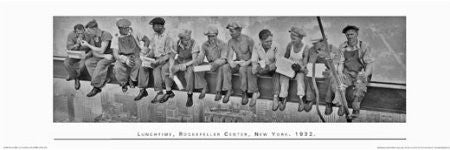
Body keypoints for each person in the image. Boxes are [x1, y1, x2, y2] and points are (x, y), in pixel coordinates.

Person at [331, 25, 375, 118]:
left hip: (361, 72)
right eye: (347, 35)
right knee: (339, 84)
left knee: (359, 88)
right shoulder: (342, 46)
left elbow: (369, 64)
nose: (350, 37)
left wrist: (365, 74)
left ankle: (356, 108)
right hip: (347, 72)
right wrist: (340, 73)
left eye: (352, 34)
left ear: (357, 34)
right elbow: (340, 63)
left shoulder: (364, 46)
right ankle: (342, 105)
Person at [135, 17, 176, 103]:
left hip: (167, 60)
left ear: (160, 26)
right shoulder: (154, 36)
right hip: (156, 59)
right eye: (153, 26)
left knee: (157, 70)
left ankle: (161, 92)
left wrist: (158, 61)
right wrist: (147, 57)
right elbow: (152, 50)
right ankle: (142, 90)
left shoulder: (168, 36)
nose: (153, 28)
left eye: (155, 26)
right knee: (143, 66)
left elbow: (169, 54)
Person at [196, 26, 233, 103]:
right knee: (196, 68)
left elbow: (224, 58)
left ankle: (218, 92)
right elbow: (201, 56)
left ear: (216, 35)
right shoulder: (204, 45)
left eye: (212, 36)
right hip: (210, 64)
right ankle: (204, 86)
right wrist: (196, 61)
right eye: (209, 36)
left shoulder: (222, 44)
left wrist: (216, 63)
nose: (210, 38)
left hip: (220, 64)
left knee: (221, 68)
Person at [112, 18, 149, 95]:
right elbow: (115, 54)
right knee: (117, 67)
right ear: (119, 29)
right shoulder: (115, 37)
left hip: (135, 55)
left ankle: (132, 80)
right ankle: (123, 83)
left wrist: (144, 49)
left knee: (138, 63)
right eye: (125, 28)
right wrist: (125, 60)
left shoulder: (135, 32)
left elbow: (147, 40)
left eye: (128, 27)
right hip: (123, 56)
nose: (127, 29)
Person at [278, 26, 309, 111]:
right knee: (283, 77)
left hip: (299, 69)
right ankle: (283, 98)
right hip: (289, 68)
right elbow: (286, 58)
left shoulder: (306, 47)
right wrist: (283, 66)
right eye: (291, 38)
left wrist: (300, 68)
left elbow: (305, 63)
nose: (292, 40)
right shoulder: (289, 45)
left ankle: (301, 99)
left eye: (294, 38)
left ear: (300, 38)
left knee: (300, 79)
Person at [226, 22, 257, 105]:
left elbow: (254, 57)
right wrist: (231, 62)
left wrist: (246, 63)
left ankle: (244, 93)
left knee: (242, 69)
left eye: (232, 31)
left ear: (239, 31)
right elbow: (229, 56)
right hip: (239, 62)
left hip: (248, 63)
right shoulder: (231, 42)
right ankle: (229, 90)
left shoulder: (248, 40)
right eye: (229, 31)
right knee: (226, 67)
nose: (230, 33)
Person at [81, 19, 115, 97]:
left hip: (110, 56)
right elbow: (94, 52)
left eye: (89, 31)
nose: (88, 33)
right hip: (103, 56)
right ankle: (104, 79)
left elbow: (102, 50)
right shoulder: (93, 37)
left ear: (94, 29)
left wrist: (88, 45)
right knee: (88, 62)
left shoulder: (105, 34)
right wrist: (103, 56)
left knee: (101, 63)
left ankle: (96, 87)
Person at [169, 29, 201, 107]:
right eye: (186, 40)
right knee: (171, 71)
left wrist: (185, 65)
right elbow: (172, 58)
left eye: (189, 39)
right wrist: (171, 69)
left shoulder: (194, 44)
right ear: (181, 39)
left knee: (189, 73)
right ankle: (173, 89)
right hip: (180, 61)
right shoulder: (176, 43)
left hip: (190, 62)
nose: (188, 41)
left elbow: (194, 60)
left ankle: (189, 94)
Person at [250, 29, 281, 109]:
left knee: (277, 73)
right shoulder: (257, 46)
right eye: (267, 42)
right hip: (262, 67)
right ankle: (255, 92)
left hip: (273, 68)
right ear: (261, 40)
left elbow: (278, 62)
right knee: (252, 70)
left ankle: (275, 96)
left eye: (271, 41)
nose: (270, 43)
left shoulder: (276, 46)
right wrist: (255, 67)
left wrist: (269, 67)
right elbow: (254, 60)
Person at [303, 39, 335, 114]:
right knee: (309, 75)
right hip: (316, 71)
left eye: (320, 44)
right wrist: (307, 67)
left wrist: (326, 57)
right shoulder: (311, 50)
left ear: (324, 42)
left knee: (331, 77)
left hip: (328, 72)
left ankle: (328, 102)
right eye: (315, 44)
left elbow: (336, 65)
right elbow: (308, 63)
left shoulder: (332, 48)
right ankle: (309, 99)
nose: (316, 47)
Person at [64, 24, 91, 90]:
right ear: (75, 32)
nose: (80, 34)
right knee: (66, 63)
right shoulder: (71, 35)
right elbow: (69, 47)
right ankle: (75, 77)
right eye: (78, 33)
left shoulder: (89, 36)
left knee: (81, 66)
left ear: (84, 30)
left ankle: (75, 77)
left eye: (82, 32)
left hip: (84, 55)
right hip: (74, 54)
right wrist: (76, 45)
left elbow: (92, 49)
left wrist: (87, 55)